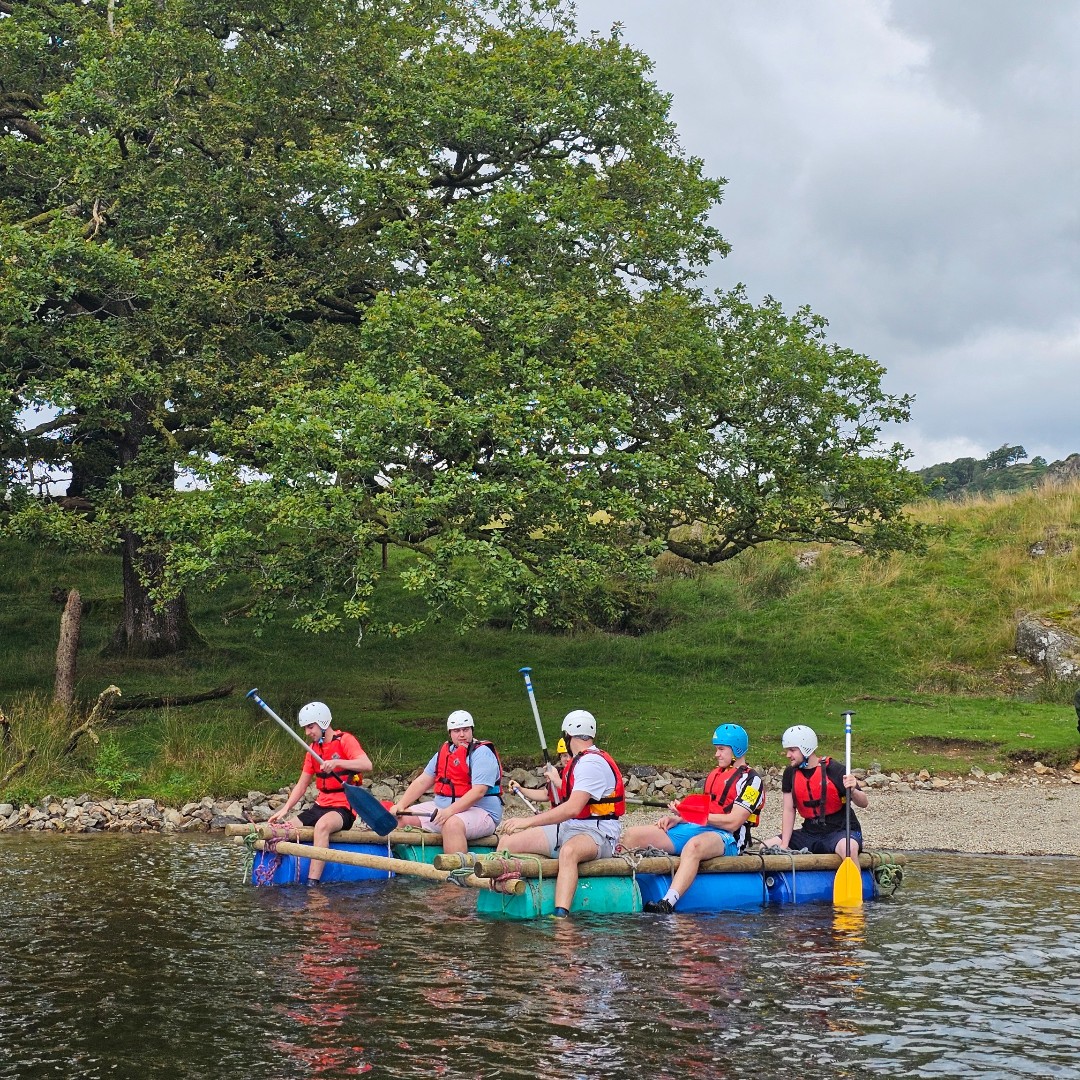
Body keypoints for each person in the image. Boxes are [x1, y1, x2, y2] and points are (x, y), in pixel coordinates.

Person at [623, 724, 765, 914]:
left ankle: (668, 902)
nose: (716, 754)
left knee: (694, 846)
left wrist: (699, 818)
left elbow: (733, 822)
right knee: (633, 835)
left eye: (721, 749)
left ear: (736, 750)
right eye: (716, 749)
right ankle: (626, 893)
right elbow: (705, 810)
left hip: (729, 838)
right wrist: (680, 818)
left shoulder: (752, 782)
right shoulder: (716, 775)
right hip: (700, 827)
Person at [497, 710, 625, 918]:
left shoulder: (591, 763)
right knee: (507, 843)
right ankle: (502, 903)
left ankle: (561, 917)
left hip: (598, 833)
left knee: (568, 852)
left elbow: (572, 808)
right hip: (568, 828)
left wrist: (527, 822)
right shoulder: (578, 761)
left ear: (568, 735)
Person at [268, 701, 373, 884]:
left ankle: (312, 883)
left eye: (310, 727)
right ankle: (279, 872)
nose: (308, 733)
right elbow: (302, 785)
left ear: (323, 722)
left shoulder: (345, 740)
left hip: (344, 807)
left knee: (322, 826)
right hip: (320, 805)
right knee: (287, 828)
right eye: (305, 728)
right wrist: (285, 809)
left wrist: (338, 762)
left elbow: (366, 764)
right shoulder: (312, 751)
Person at [388, 710, 503, 854]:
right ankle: (399, 865)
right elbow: (423, 781)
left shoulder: (482, 753)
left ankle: (458, 873)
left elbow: (479, 791)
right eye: (456, 731)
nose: (461, 734)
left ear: (471, 730)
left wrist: (449, 811)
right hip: (444, 809)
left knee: (451, 824)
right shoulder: (445, 752)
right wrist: (401, 805)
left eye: (465, 730)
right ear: (450, 733)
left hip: (482, 812)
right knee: (401, 819)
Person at [761, 724, 869, 858]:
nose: (788, 755)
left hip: (840, 832)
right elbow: (789, 810)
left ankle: (854, 877)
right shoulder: (790, 774)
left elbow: (864, 803)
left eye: (792, 750)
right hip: (809, 833)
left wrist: (853, 791)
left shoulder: (834, 770)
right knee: (765, 847)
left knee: (848, 849)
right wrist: (784, 844)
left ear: (806, 749)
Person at [510, 738, 570, 807]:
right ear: (560, 757)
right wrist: (521, 789)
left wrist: (557, 780)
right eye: (564, 755)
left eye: (571, 756)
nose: (568, 759)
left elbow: (573, 793)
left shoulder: (579, 773)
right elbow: (544, 795)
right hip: (558, 816)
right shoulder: (557, 772)